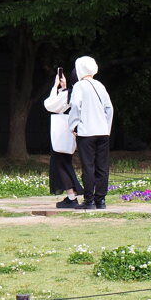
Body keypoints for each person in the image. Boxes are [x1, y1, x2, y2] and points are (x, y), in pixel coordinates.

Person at [67, 56, 114, 210]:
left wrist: (74, 125)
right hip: (102, 132)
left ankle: (89, 201)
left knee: (88, 166)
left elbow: (75, 104)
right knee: (102, 166)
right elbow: (109, 108)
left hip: (86, 132)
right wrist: (106, 127)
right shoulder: (100, 85)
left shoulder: (80, 86)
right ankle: (101, 201)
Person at [43, 67, 84, 208]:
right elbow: (63, 104)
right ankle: (72, 195)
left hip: (61, 133)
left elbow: (49, 105)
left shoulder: (70, 94)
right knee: (65, 162)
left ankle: (72, 196)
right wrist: (64, 88)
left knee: (60, 163)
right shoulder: (78, 93)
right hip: (72, 133)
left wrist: (55, 86)